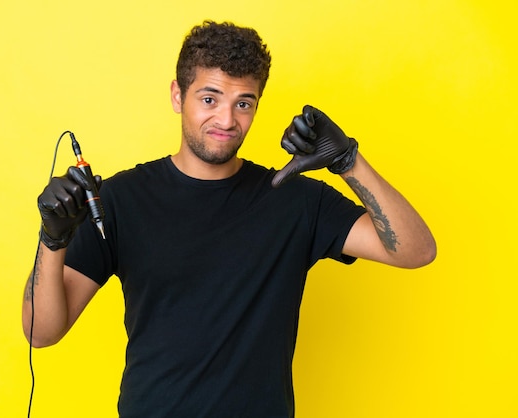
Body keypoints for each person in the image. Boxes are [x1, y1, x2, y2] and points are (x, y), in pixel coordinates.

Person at [22, 20, 436, 418]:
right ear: (176, 96)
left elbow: (417, 250)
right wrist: (52, 239)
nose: (226, 120)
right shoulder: (120, 199)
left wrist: (349, 161)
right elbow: (41, 333)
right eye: (209, 99)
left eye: (244, 104)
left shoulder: (293, 198)